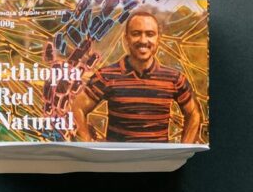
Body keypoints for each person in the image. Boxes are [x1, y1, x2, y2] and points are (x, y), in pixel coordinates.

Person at [73, 12, 203, 143]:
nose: (143, 40)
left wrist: (183, 148)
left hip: (159, 160)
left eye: (150, 34)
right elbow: (77, 108)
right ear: (126, 38)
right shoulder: (106, 76)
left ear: (158, 39)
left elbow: (193, 114)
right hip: (116, 160)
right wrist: (87, 143)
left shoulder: (174, 79)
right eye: (136, 34)